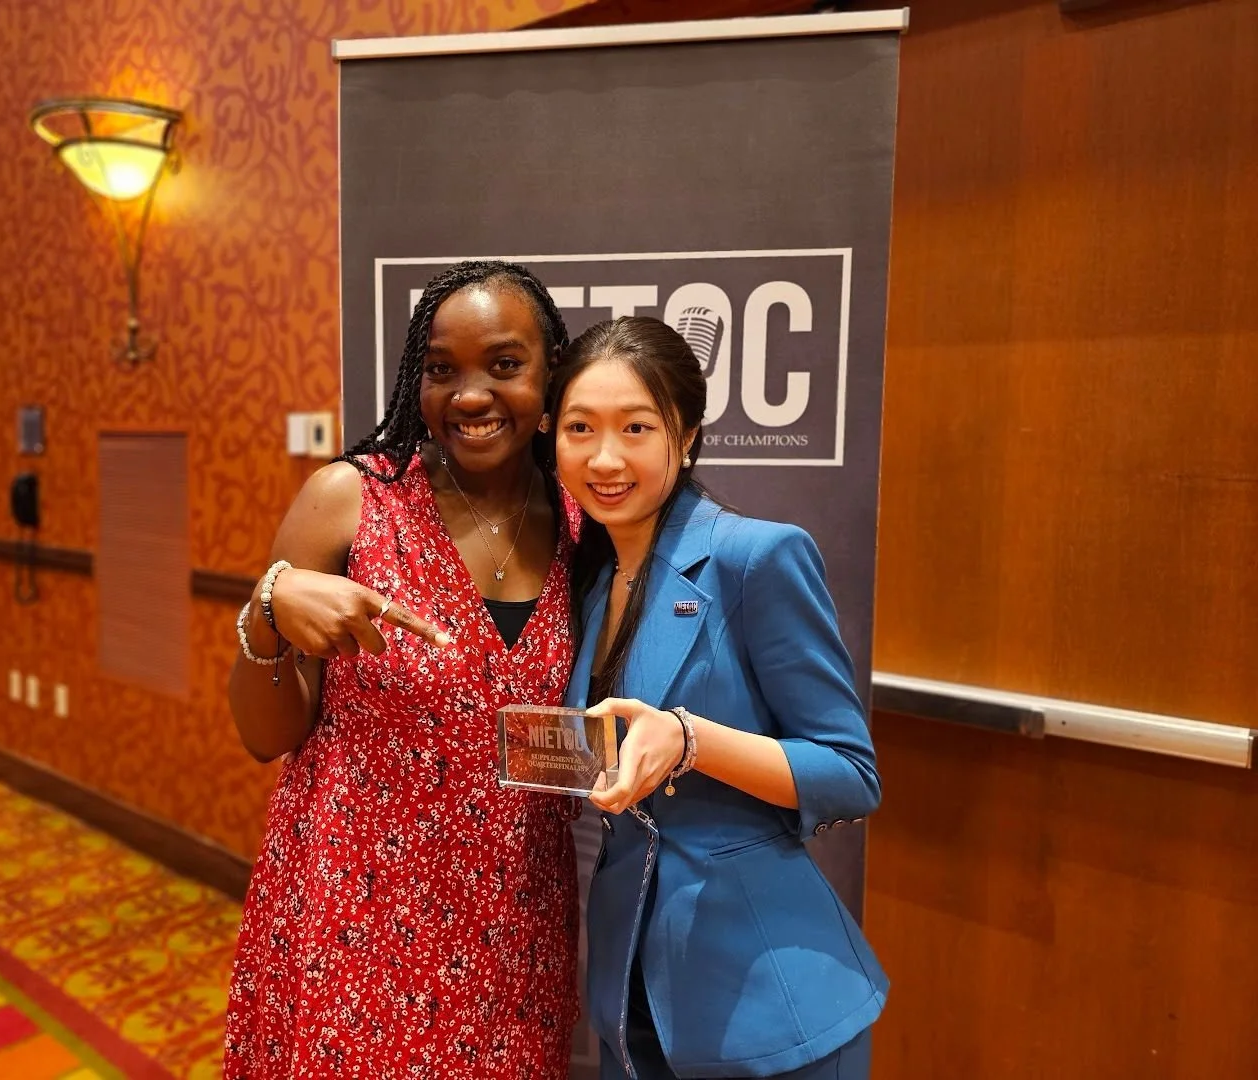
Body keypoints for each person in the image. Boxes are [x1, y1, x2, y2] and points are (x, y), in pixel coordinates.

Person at [223, 261, 582, 1078]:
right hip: (359, 913)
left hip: (516, 921)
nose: (469, 395)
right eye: (439, 370)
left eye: (503, 364)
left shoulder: (581, 522)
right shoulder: (350, 500)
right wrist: (269, 611)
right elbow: (262, 732)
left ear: (550, 369)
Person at [550, 316, 887, 1080]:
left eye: (636, 427)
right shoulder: (593, 585)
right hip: (635, 997)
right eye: (579, 428)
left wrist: (689, 738)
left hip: (768, 1001)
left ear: (688, 436)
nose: (605, 457)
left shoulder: (754, 557)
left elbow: (850, 772)